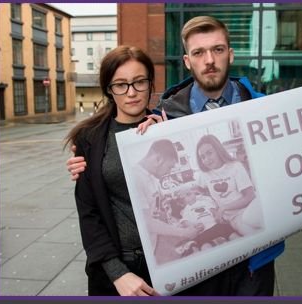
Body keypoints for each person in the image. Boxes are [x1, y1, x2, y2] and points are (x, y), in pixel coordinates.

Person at [67, 16, 302, 296]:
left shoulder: (267, 107)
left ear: (231, 53)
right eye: (198, 53)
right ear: (187, 61)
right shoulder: (166, 116)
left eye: (217, 49)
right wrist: (86, 164)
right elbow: (101, 189)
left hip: (253, 263)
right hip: (196, 268)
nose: (209, 60)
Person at [64, 45, 199, 296]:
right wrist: (117, 273)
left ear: (150, 83)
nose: (131, 93)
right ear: (108, 89)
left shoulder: (170, 127)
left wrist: (170, 138)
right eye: (120, 84)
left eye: (139, 82)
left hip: (172, 260)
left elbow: (190, 191)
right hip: (117, 269)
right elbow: (89, 213)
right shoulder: (89, 138)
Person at [195, 134, 262, 236]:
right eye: (202, 157)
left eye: (209, 153)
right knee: (254, 235)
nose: (206, 159)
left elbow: (250, 196)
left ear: (218, 150)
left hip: (251, 207)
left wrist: (223, 208)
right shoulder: (204, 175)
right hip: (235, 217)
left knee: (255, 220)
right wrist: (214, 209)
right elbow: (199, 191)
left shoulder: (235, 166)